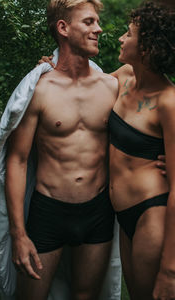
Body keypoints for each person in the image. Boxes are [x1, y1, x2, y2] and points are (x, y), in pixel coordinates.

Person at [0, 1, 123, 299]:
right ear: (63, 28)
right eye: (88, 22)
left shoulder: (111, 87)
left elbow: (147, 117)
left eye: (96, 22)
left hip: (97, 211)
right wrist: (18, 234)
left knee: (86, 296)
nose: (98, 28)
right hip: (49, 212)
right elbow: (18, 160)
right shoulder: (39, 90)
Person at [108, 1, 175, 299]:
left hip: (153, 213)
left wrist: (170, 270)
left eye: (129, 33)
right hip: (124, 216)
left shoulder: (168, 102)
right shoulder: (123, 76)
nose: (122, 38)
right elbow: (81, 86)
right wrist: (52, 64)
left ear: (146, 46)